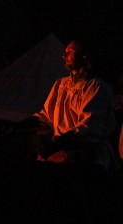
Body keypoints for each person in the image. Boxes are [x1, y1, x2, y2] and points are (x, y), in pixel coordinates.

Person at [27, 39, 119, 172]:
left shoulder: (97, 87)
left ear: (84, 55)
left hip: (86, 158)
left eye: (70, 52)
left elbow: (89, 127)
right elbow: (47, 116)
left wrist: (57, 145)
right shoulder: (60, 84)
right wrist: (23, 125)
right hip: (60, 152)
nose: (64, 56)